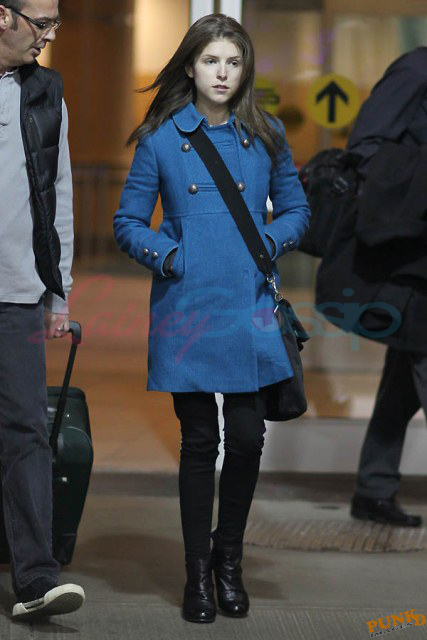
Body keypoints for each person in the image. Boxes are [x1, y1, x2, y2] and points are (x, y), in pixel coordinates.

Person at [114, 13, 310, 624]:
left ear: (245, 69)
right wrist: (174, 256)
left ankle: (230, 560)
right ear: (191, 66)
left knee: (248, 438)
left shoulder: (266, 133)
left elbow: (297, 209)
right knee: (200, 442)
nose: (222, 73)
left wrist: (268, 243)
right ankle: (198, 571)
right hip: (188, 307)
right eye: (210, 60)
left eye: (233, 61)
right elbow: (128, 222)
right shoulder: (161, 137)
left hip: (249, 303)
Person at [316, 47, 427, 527]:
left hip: (415, 260)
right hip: (408, 255)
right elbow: (366, 145)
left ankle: (373, 489)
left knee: (402, 380)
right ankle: (373, 488)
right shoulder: (418, 68)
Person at [0, 0, 84, 622]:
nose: (50, 36)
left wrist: (59, 292)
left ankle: (36, 579)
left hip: (19, 292)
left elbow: (59, 194)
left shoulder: (46, 93)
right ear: (3, 15)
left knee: (27, 430)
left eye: (56, 23)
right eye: (43, 22)